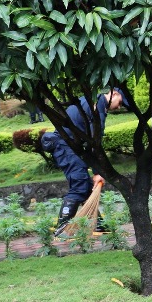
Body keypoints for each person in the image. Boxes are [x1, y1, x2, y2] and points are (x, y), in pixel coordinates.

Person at [41, 88, 126, 233]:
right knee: (80, 185)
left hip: (69, 146)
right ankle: (61, 228)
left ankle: (98, 224)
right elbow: (95, 143)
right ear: (114, 94)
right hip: (64, 146)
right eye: (120, 102)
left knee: (85, 186)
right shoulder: (97, 107)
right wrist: (98, 172)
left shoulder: (92, 101)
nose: (119, 107)